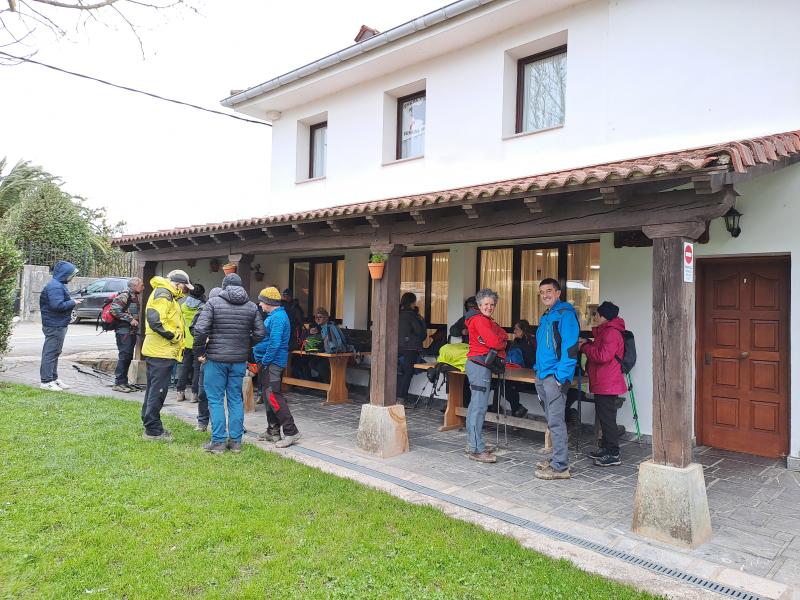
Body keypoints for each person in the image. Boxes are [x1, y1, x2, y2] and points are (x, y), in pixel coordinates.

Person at [192, 273, 265, 454]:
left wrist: (200, 352)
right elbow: (260, 333)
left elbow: (200, 329)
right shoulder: (251, 307)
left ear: (224, 287)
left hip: (215, 359)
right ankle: (236, 442)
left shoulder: (213, 303)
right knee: (235, 399)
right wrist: (244, 346)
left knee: (215, 400)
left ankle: (218, 442)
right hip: (238, 361)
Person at [534, 278, 580, 480]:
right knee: (551, 421)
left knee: (556, 422)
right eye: (542, 291)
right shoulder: (547, 315)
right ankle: (555, 459)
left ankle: (560, 466)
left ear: (558, 292)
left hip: (555, 377)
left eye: (549, 290)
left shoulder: (565, 314)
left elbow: (570, 348)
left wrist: (561, 376)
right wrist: (538, 370)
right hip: (543, 375)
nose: (545, 294)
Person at [141, 269, 192, 441]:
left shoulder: (167, 295)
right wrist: (174, 335)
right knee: (158, 391)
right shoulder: (164, 294)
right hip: (161, 350)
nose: (185, 292)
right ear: (178, 284)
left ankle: (148, 422)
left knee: (153, 389)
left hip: (160, 350)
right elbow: (155, 319)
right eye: (185, 288)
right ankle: (153, 431)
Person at [579, 301, 627, 467]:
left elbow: (602, 356)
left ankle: (613, 453)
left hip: (608, 383)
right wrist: (589, 344)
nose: (595, 317)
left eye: (597, 314)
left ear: (603, 316)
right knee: (605, 418)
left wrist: (585, 347)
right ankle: (606, 449)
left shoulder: (611, 333)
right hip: (604, 381)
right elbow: (601, 350)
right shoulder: (606, 331)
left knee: (607, 420)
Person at [253, 286, 301, 447]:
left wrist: (265, 361)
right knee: (268, 397)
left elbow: (275, 343)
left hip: (272, 363)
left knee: (274, 396)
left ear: (268, 302)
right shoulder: (274, 316)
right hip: (268, 362)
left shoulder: (279, 318)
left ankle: (291, 432)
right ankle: (272, 431)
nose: (260, 305)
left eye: (261, 302)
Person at [464, 288, 508, 464]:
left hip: (477, 365)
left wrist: (501, 339)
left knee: (475, 406)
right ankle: (476, 449)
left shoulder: (483, 320)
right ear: (479, 305)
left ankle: (472, 444)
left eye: (492, 304)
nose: (489, 307)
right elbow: (496, 341)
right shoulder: (480, 320)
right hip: (479, 366)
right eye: (486, 304)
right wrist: (502, 342)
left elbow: (503, 334)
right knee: (479, 408)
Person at [39, 260, 81, 391]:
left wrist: (72, 300)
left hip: (58, 324)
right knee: (50, 353)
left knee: (55, 352)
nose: (72, 277)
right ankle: (46, 381)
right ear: (64, 274)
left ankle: (53, 378)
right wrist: (73, 302)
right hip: (54, 325)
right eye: (71, 274)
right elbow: (57, 305)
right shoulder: (55, 286)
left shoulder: (58, 285)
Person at [191, 287, 221, 433]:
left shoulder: (226, 310)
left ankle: (234, 424)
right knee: (203, 391)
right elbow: (194, 328)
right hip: (207, 356)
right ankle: (202, 422)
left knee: (228, 395)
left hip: (221, 357)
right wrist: (203, 342)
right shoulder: (203, 309)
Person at [109, 277, 144, 393]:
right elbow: (114, 310)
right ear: (134, 286)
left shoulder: (133, 295)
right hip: (124, 332)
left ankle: (124, 382)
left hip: (130, 332)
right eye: (141, 285)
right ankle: (118, 383)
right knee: (124, 356)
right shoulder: (125, 295)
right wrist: (130, 319)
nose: (143, 287)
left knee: (127, 356)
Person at [176, 284, 206, 402]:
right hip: (198, 342)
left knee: (185, 366)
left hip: (185, 342)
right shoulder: (203, 307)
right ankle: (194, 394)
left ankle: (180, 392)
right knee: (197, 368)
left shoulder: (183, 306)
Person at [501, 319, 536, 418]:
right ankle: (518, 410)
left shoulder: (530, 343)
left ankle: (517, 411)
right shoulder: (515, 342)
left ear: (523, 330)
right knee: (502, 384)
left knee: (509, 386)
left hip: (529, 376)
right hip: (515, 374)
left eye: (516, 329)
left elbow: (531, 362)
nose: (514, 331)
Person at [398, 292, 427, 403]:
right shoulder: (413, 316)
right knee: (407, 372)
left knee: (397, 371)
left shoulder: (397, 313)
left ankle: (393, 395)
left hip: (395, 347)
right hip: (410, 348)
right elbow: (421, 334)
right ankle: (401, 398)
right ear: (412, 303)